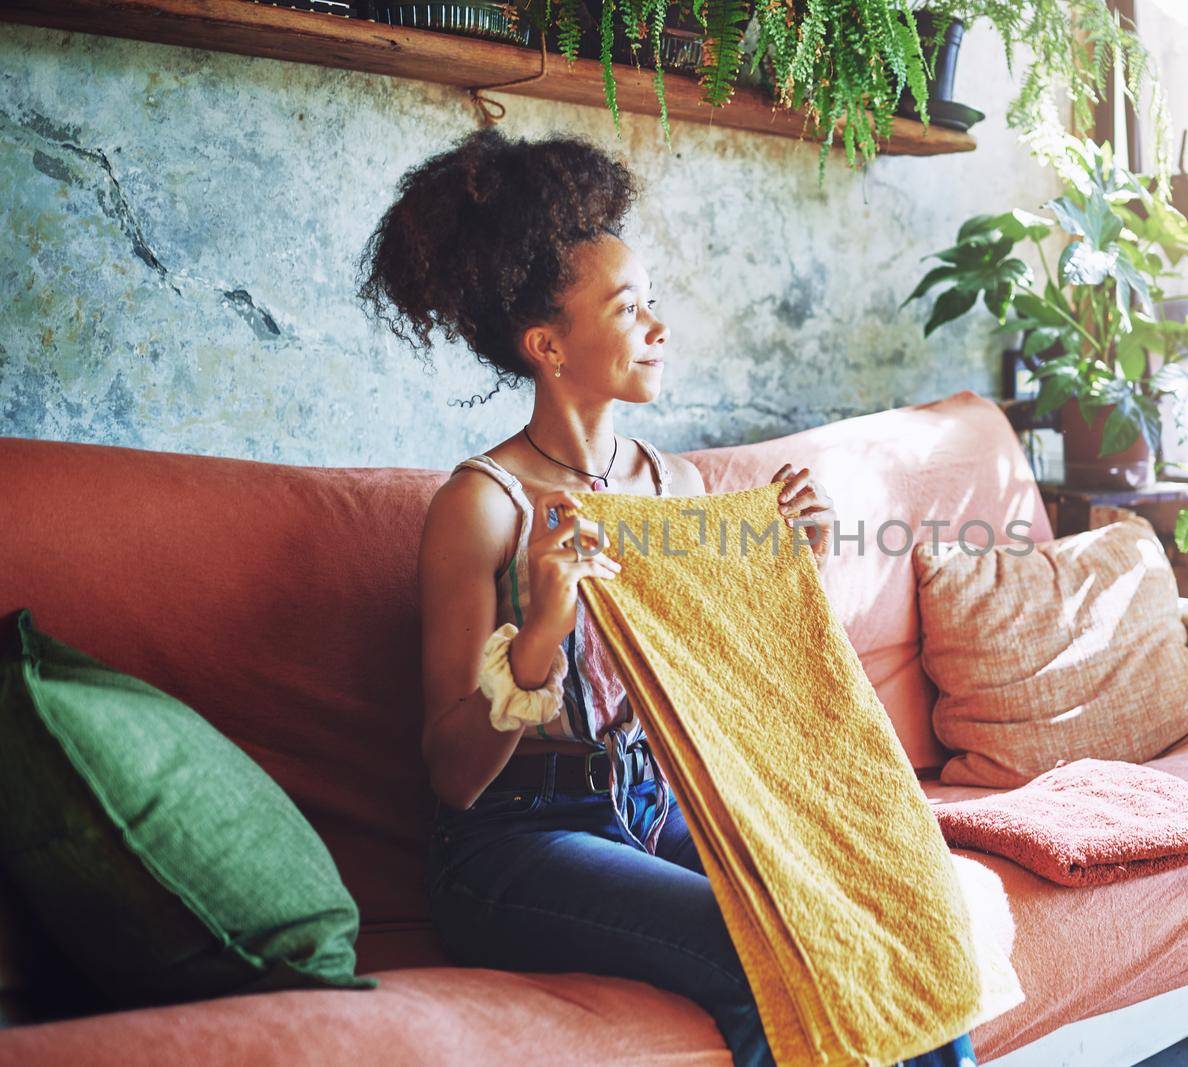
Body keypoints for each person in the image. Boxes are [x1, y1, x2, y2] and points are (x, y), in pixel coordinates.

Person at [357, 126, 979, 1067]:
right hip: (517, 839)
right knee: (763, 945)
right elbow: (453, 772)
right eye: (630, 306)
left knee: (875, 896)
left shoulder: (674, 490)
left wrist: (788, 571)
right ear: (549, 346)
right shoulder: (483, 507)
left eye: (655, 302)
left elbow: (733, 692)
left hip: (658, 801)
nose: (658, 325)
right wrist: (541, 632)